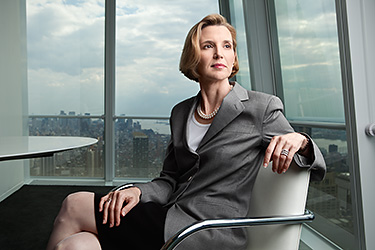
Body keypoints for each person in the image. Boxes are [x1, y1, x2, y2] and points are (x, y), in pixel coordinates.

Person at [46, 14, 326, 250]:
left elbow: (315, 164)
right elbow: (169, 179)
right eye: (208, 46)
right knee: (76, 245)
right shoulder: (181, 112)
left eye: (227, 46)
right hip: (169, 213)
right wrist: (138, 191)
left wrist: (300, 140)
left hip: (206, 231)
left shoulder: (260, 107)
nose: (219, 53)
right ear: (194, 56)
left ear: (233, 56)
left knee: (74, 204)